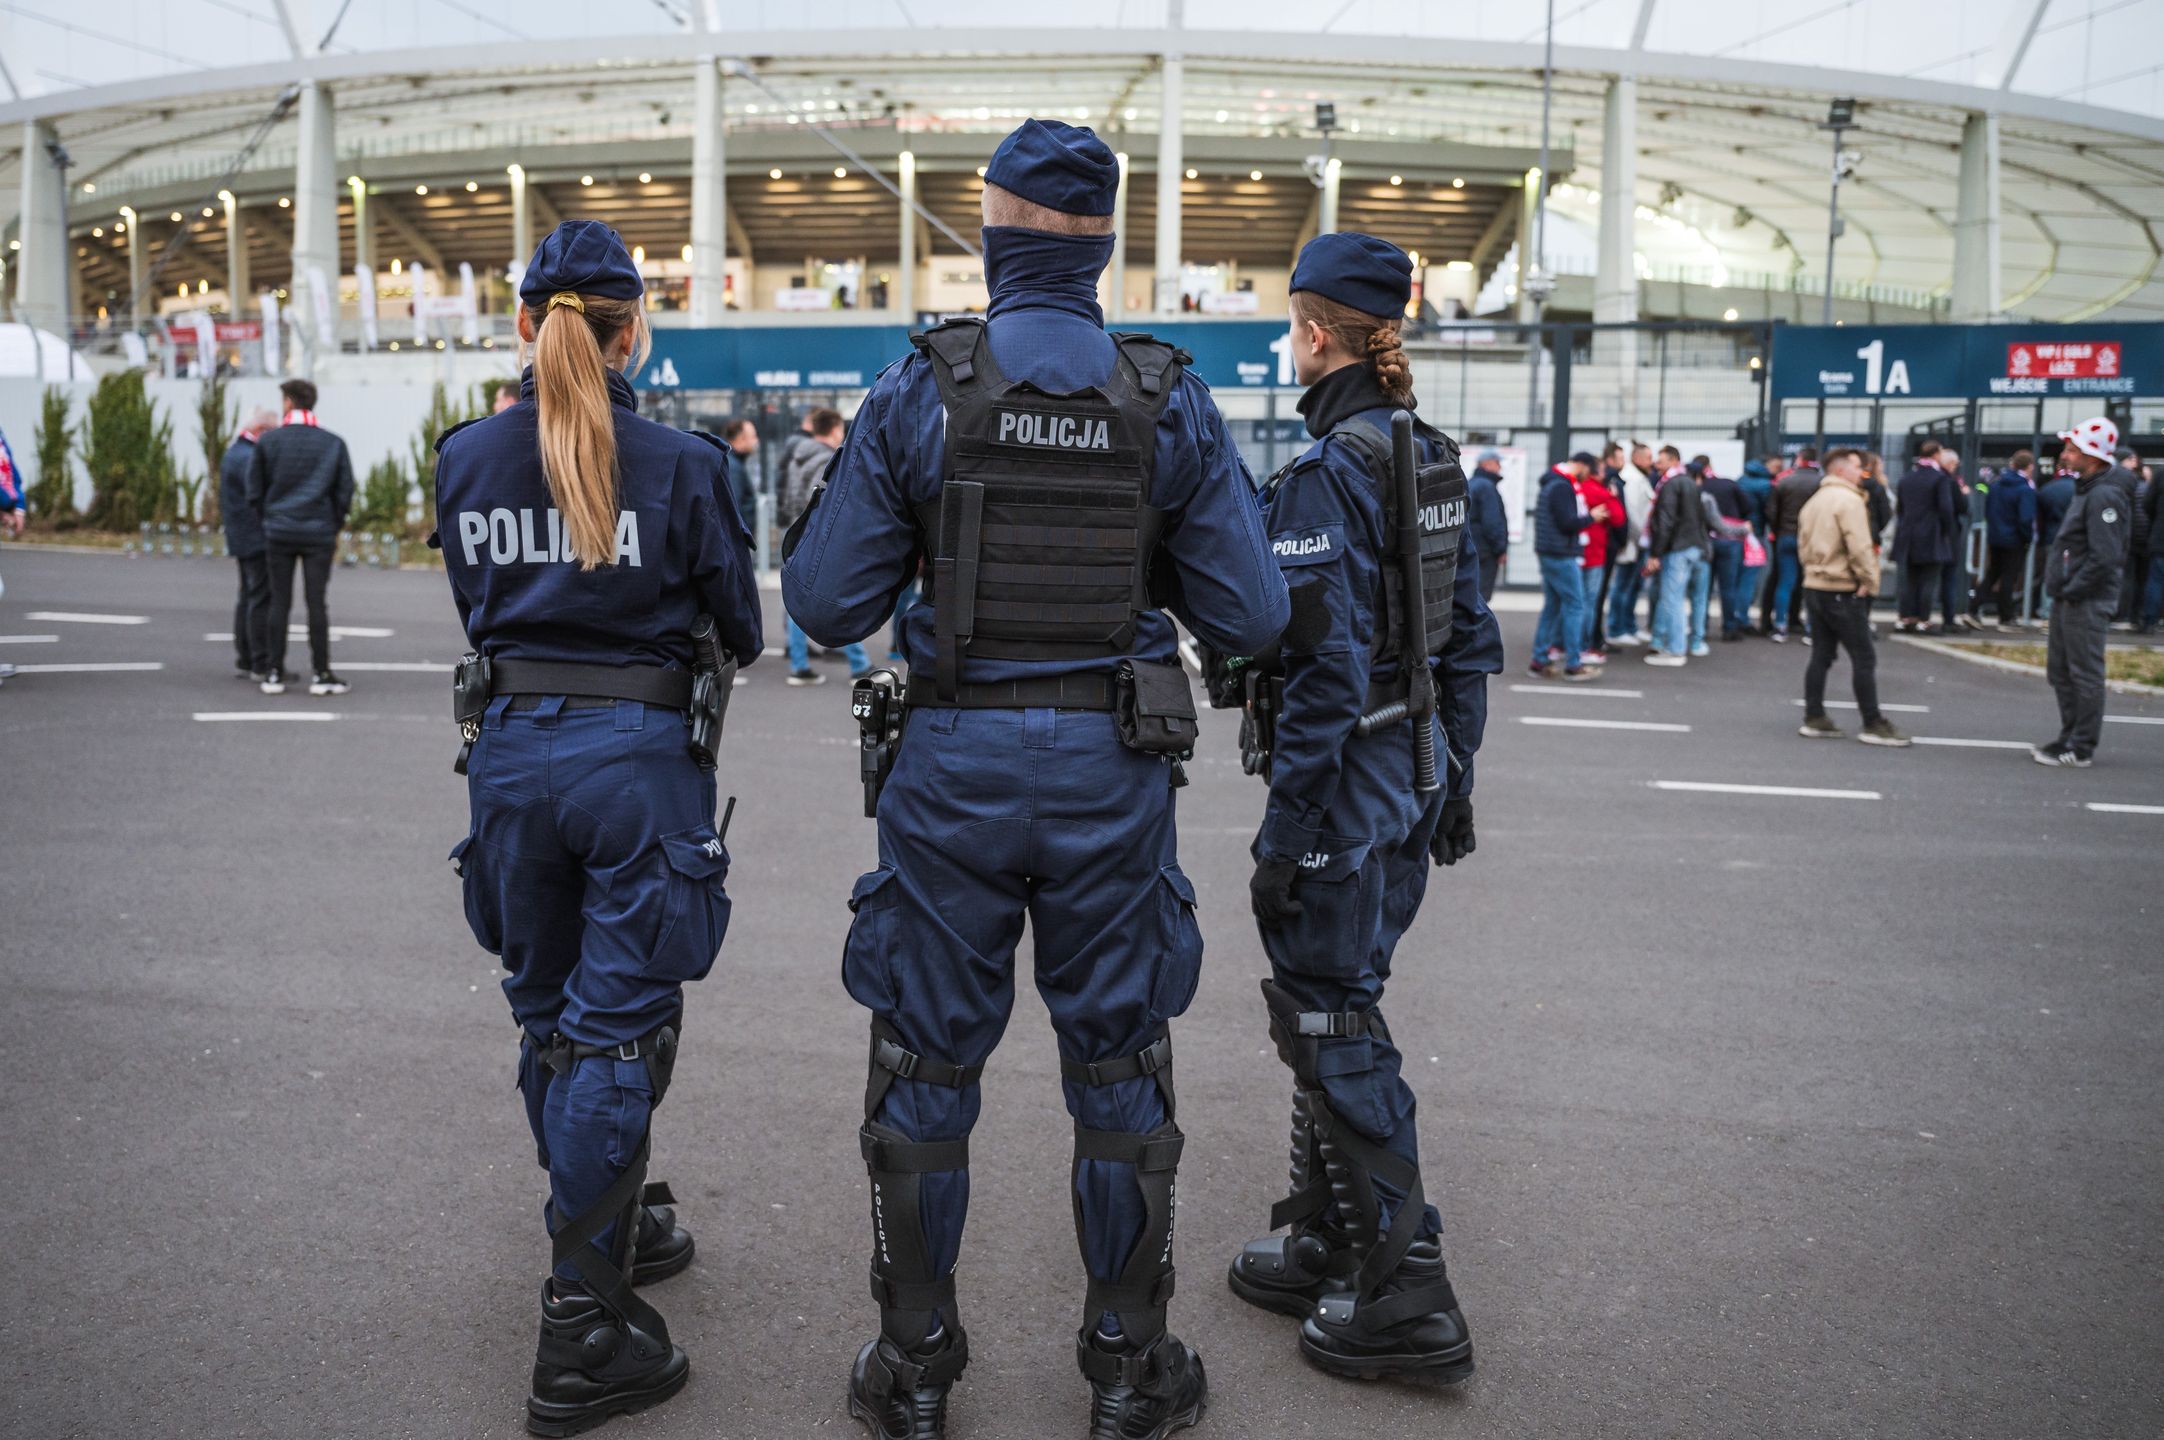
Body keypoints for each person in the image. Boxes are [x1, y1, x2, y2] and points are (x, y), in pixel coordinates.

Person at [780, 119, 1289, 1439]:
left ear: (991, 234)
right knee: (1119, 1062)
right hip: (1111, 772)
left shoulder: (921, 388)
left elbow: (828, 600)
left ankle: (916, 1370)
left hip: (949, 766)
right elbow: (1252, 617)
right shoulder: (1165, 394)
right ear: (1105, 246)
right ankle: (1129, 1367)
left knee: (925, 1064)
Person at [433, 220, 763, 1435]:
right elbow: (743, 625)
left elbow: (481, 609)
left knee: (544, 1013)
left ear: (526, 326)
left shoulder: (464, 455)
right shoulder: (679, 462)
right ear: (637, 330)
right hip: (635, 767)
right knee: (614, 1035)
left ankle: (606, 1222)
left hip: (509, 759)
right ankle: (581, 1326)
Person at [1224, 229, 1499, 1390]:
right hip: (1411, 771)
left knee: (1329, 1015)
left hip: (1344, 781)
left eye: (1292, 325)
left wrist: (1285, 835)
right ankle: (1325, 1234)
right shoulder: (1431, 455)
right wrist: (1452, 775)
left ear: (1318, 333)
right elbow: (1470, 643)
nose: (1287, 345)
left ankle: (1406, 1290)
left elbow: (1323, 672)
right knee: (1339, 999)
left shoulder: (1326, 472)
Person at [2034, 417, 2137, 768]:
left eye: (2072, 450)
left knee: (2083, 673)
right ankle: (2070, 737)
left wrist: (2073, 589)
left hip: (2087, 599)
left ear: (2092, 457)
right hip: (2073, 596)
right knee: (2061, 671)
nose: (2065, 455)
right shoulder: (2089, 488)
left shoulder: (2104, 494)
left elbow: (2105, 556)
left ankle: (2080, 747)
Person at [246, 378, 355, 697]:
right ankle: (321, 673)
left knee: (279, 602)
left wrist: (268, 518)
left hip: (278, 531)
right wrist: (332, 522)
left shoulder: (269, 442)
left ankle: (274, 671)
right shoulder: (333, 443)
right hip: (318, 533)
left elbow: (254, 490)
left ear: (289, 402)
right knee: (316, 603)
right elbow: (345, 490)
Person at [1795, 448, 1910, 747]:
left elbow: (1803, 544)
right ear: (1841, 469)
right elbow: (1859, 546)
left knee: (1821, 654)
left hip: (1816, 584)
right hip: (1842, 587)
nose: (1862, 473)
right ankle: (1872, 722)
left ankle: (1814, 715)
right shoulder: (1849, 501)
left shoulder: (1814, 501)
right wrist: (1869, 582)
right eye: (1858, 467)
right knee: (1863, 657)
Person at [777, 409, 869, 684]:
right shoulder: (825, 458)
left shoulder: (801, 454)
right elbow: (827, 503)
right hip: (819, 539)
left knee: (800, 601)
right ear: (834, 430)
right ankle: (859, 664)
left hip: (800, 533)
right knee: (838, 597)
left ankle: (800, 665)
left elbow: (794, 497)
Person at [1530, 452, 1600, 680]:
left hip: (1550, 551)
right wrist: (1592, 517)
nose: (1586, 477)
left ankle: (1539, 660)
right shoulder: (1562, 486)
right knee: (1575, 605)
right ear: (1581, 465)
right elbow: (1568, 522)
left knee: (1553, 605)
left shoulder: (1552, 482)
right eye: (1588, 471)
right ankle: (1573, 664)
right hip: (1561, 553)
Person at [219, 409, 278, 680]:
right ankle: (259, 662)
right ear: (261, 431)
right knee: (259, 598)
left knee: (247, 597)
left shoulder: (235, 452)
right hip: (255, 537)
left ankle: (245, 657)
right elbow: (262, 494)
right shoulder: (249, 457)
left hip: (241, 536)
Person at [1641, 450, 1707, 667]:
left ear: (1673, 461)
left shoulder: (1669, 485)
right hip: (1691, 546)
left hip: (1677, 549)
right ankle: (1672, 644)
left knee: (1672, 600)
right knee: (1678, 598)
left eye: (1661, 460)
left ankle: (1676, 649)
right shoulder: (1688, 483)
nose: (1656, 464)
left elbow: (1665, 521)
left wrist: (1655, 553)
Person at [1891, 441, 1956, 633]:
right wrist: (1947, 530)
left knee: (1909, 580)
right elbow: (1946, 508)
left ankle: (1906, 617)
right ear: (1936, 455)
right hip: (1932, 535)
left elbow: (1900, 508)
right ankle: (1923, 619)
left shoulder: (1907, 478)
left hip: (1908, 535)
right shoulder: (1940, 479)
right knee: (1929, 580)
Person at [1972, 449, 2037, 629]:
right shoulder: (2025, 489)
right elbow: (2026, 518)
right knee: (2009, 577)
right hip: (2015, 539)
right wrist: (2027, 537)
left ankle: (1973, 608)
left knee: (1992, 573)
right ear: (2030, 467)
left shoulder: (1996, 485)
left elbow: (1989, 511)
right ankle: (2006, 616)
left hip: (1996, 537)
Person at [1763, 447, 1821, 640]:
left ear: (1799, 459)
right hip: (1812, 539)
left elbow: (1771, 512)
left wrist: (1779, 530)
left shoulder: (1784, 481)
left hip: (1786, 536)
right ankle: (1812, 630)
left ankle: (1780, 626)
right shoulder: (1822, 483)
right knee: (1812, 583)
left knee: (1785, 582)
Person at [1605, 441, 1656, 647]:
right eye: (1648, 457)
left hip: (1638, 543)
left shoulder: (1641, 478)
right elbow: (1633, 514)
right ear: (1637, 458)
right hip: (1633, 543)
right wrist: (1639, 539)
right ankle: (1617, 628)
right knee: (1623, 586)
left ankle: (1629, 626)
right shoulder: (1633, 480)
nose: (1651, 462)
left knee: (1633, 587)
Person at [1574, 455, 1619, 663]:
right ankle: (1583, 647)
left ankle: (1565, 644)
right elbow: (1619, 518)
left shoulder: (1577, 488)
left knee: (1573, 602)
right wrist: (1613, 496)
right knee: (1588, 602)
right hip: (1594, 555)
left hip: (1577, 552)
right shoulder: (1600, 492)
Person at [1698, 457, 1750, 641]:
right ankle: (1729, 627)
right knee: (1728, 588)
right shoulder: (1728, 484)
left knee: (1703, 588)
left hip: (1706, 540)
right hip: (1729, 540)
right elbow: (1746, 507)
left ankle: (1700, 628)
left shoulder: (1699, 489)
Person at [2033, 460, 2076, 618]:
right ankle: (2069, 609)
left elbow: (2039, 519)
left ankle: (2047, 610)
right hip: (2075, 539)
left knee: (2050, 575)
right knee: (2073, 574)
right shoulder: (2081, 489)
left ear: (2058, 468)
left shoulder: (2047, 490)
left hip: (2052, 538)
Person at [1465, 450, 1509, 601]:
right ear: (1487, 464)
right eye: (1497, 463)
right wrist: (1500, 549)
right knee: (1481, 597)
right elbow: (1492, 522)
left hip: (1471, 548)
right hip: (1485, 551)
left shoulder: (1471, 483)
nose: (1500, 468)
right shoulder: (1486, 487)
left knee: (1470, 595)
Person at [719, 416, 759, 525]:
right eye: (753, 437)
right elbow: (733, 508)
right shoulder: (733, 467)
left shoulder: (731, 462)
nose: (756, 441)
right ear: (741, 439)